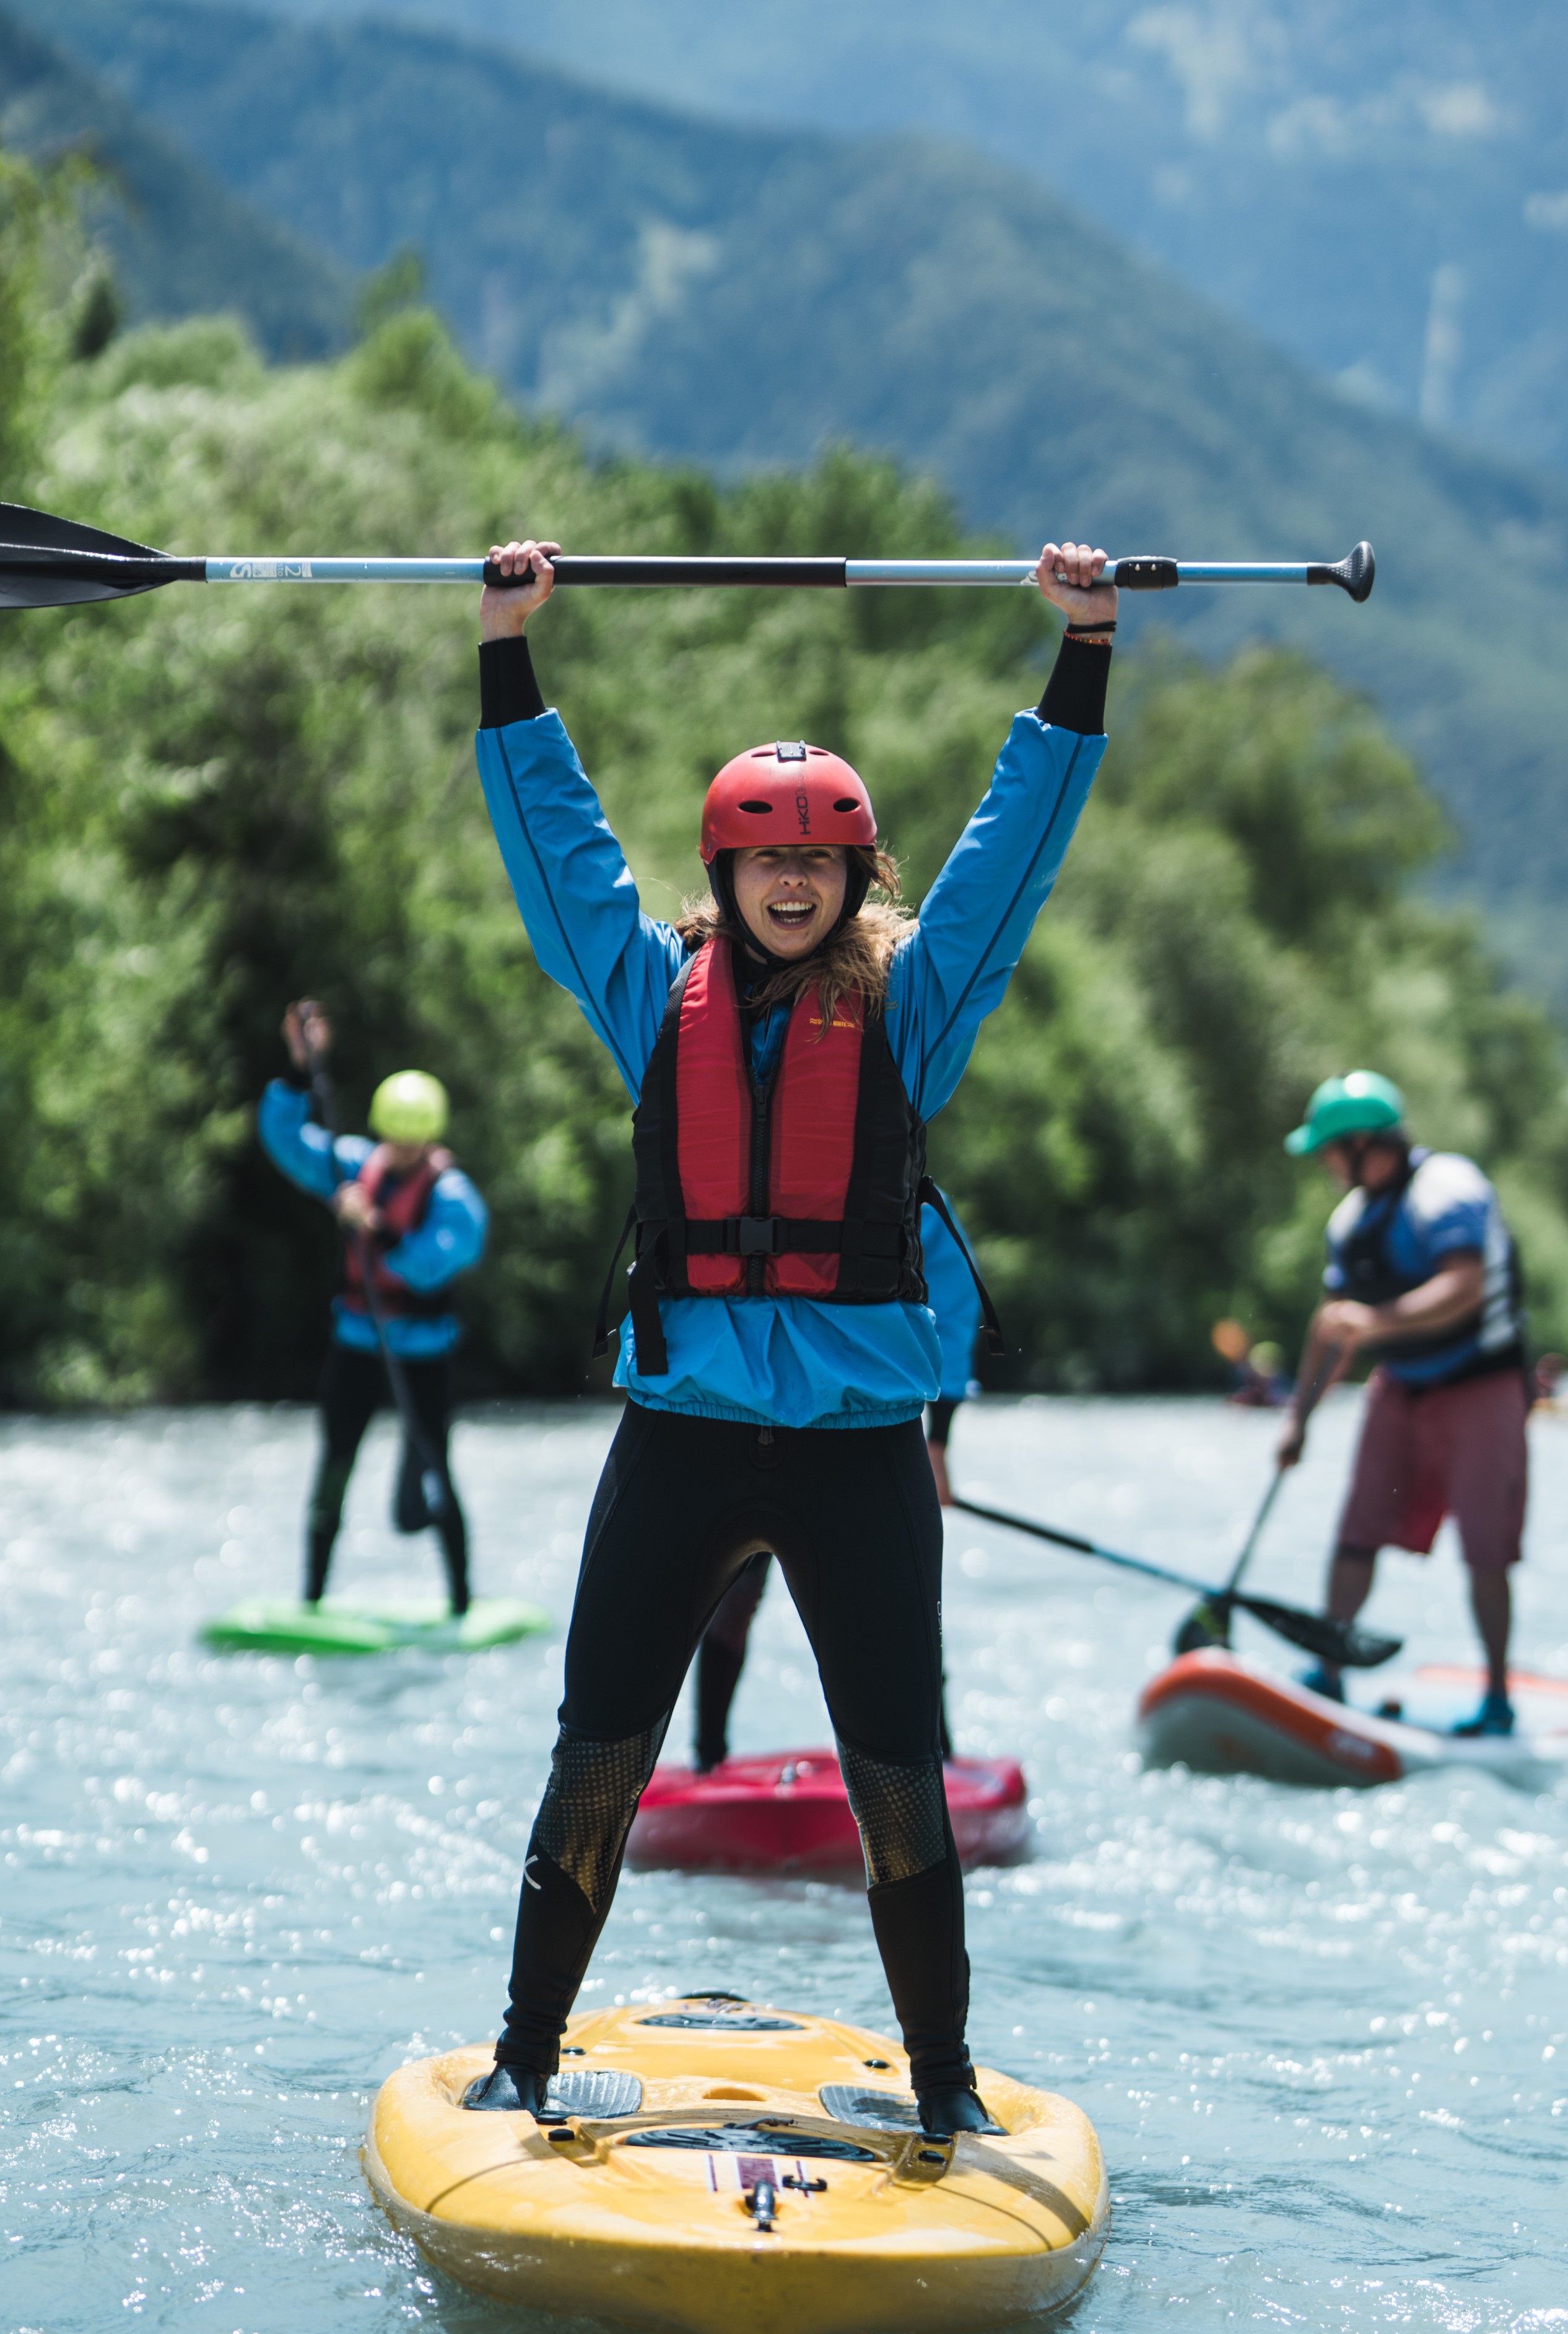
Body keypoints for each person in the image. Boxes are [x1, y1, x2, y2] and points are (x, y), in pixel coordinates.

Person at [468, 532, 1113, 2133]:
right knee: (596, 1759)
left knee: (896, 1778)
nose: (792, 879)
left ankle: (945, 2091)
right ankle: (523, 2060)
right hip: (679, 1434)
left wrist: (1081, 651)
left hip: (855, 1456)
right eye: (766, 857)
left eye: (820, 859)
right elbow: (559, 857)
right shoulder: (644, 995)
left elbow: (1011, 859)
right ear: (727, 868)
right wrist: (506, 653)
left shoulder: (913, 1007)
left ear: (855, 876)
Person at [1274, 1070, 1528, 1737]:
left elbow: (1462, 1288)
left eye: (1327, 1151)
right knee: (1357, 1529)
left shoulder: (1448, 1189)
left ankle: (1496, 1697)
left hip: (1481, 1385)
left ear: (1360, 1145)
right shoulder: (1349, 1220)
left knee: (1484, 1549)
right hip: (1401, 1388)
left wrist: (1375, 1321)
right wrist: (1297, 1421)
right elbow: (1331, 1328)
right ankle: (1328, 1672)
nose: (1323, 1165)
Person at [692, 1193, 985, 1769]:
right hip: (740, 1413)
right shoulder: (743, 1171)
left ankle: (933, 1758)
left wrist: (937, 1439)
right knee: (731, 1594)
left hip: (858, 1425)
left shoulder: (897, 1179)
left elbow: (951, 1303)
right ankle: (707, 1759)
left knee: (900, 1605)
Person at [259, 1015, 489, 1613]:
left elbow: (433, 1262)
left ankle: (461, 1601)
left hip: (425, 1353)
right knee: (334, 1463)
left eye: (414, 1139)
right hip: (358, 1344)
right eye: (395, 1136)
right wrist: (298, 1068)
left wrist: (376, 1227)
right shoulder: (357, 1165)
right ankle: (312, 1597)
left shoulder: (453, 1196)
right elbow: (286, 1139)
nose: (403, 1149)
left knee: (433, 1476)